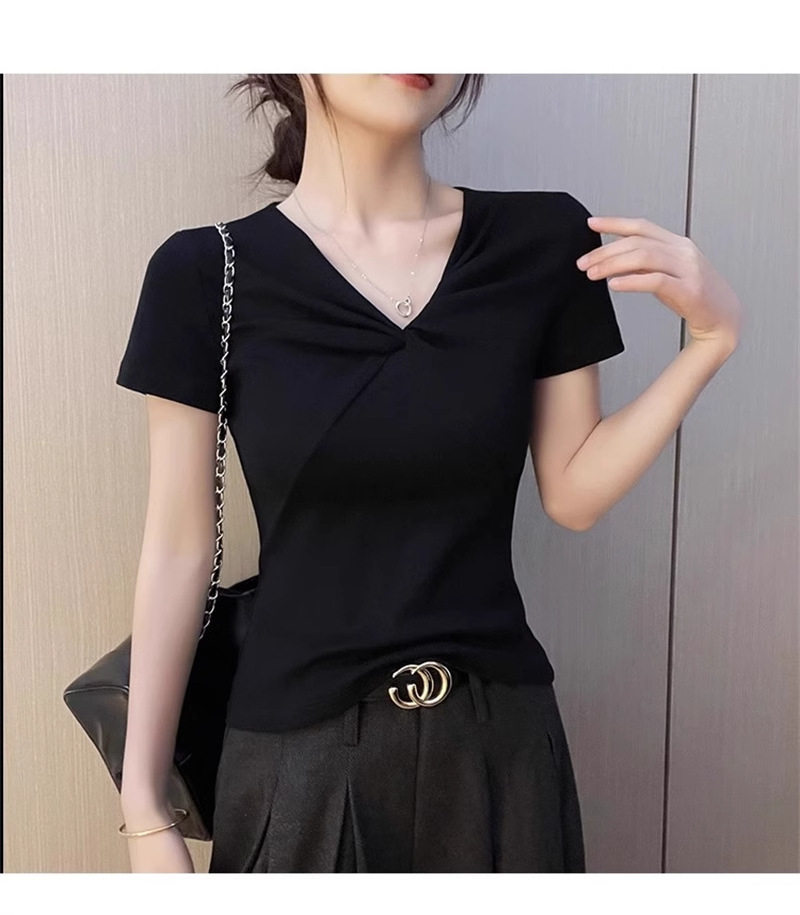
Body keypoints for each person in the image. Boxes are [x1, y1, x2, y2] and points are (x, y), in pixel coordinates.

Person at [113, 74, 743, 873]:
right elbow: (178, 547)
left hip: (501, 751)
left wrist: (710, 344)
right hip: (298, 759)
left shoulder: (540, 239)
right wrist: (144, 807)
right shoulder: (207, 272)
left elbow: (574, 492)